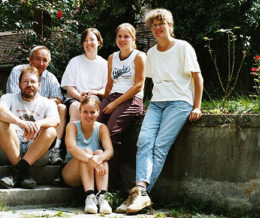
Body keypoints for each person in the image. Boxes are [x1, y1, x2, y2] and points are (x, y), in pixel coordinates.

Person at [116, 8, 204, 214]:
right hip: (156, 103)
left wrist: (197, 106)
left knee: (160, 146)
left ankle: (139, 193)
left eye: (160, 24)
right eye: (153, 25)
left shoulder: (183, 47)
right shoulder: (152, 53)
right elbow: (149, 81)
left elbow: (197, 78)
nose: (157, 28)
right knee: (144, 141)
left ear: (169, 26)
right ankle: (141, 194)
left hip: (179, 103)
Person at [97, 23, 146, 187]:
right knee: (94, 129)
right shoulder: (112, 57)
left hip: (132, 100)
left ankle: (113, 183)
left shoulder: (139, 56)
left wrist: (115, 104)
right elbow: (110, 85)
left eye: (126, 36)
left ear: (133, 39)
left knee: (110, 134)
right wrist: (104, 103)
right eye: (119, 36)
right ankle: (92, 177)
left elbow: (138, 85)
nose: (122, 39)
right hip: (112, 98)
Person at [0, 66, 60, 188]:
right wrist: (20, 122)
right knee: (2, 124)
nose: (29, 85)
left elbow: (56, 120)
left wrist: (38, 124)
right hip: (9, 149)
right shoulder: (8, 97)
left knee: (50, 130)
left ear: (39, 85)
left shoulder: (48, 103)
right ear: (19, 84)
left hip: (36, 151)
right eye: (25, 81)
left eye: (33, 82)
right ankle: (24, 172)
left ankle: (17, 172)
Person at [6, 45, 66, 165]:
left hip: (41, 118)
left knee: (61, 108)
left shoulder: (50, 78)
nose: (41, 63)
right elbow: (15, 96)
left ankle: (55, 149)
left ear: (48, 63)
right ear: (30, 59)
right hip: (20, 114)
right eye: (38, 59)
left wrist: (43, 104)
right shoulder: (18, 71)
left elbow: (58, 98)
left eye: (45, 60)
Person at [61, 96, 114, 214]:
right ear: (80, 112)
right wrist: (91, 159)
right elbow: (71, 147)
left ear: (98, 112)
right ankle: (90, 197)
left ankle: (102, 197)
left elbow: (109, 151)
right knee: (86, 152)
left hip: (93, 172)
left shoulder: (101, 128)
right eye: (85, 112)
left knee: (101, 153)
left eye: (92, 112)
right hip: (72, 172)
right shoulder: (72, 126)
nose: (88, 115)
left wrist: (98, 158)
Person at [61, 28, 107, 122]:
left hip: (94, 98)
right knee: (76, 108)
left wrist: (95, 92)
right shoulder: (74, 62)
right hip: (75, 98)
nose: (88, 43)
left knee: (90, 107)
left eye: (91, 39)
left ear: (98, 42)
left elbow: (106, 89)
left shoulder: (105, 64)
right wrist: (79, 97)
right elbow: (69, 87)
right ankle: (72, 136)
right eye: (85, 40)